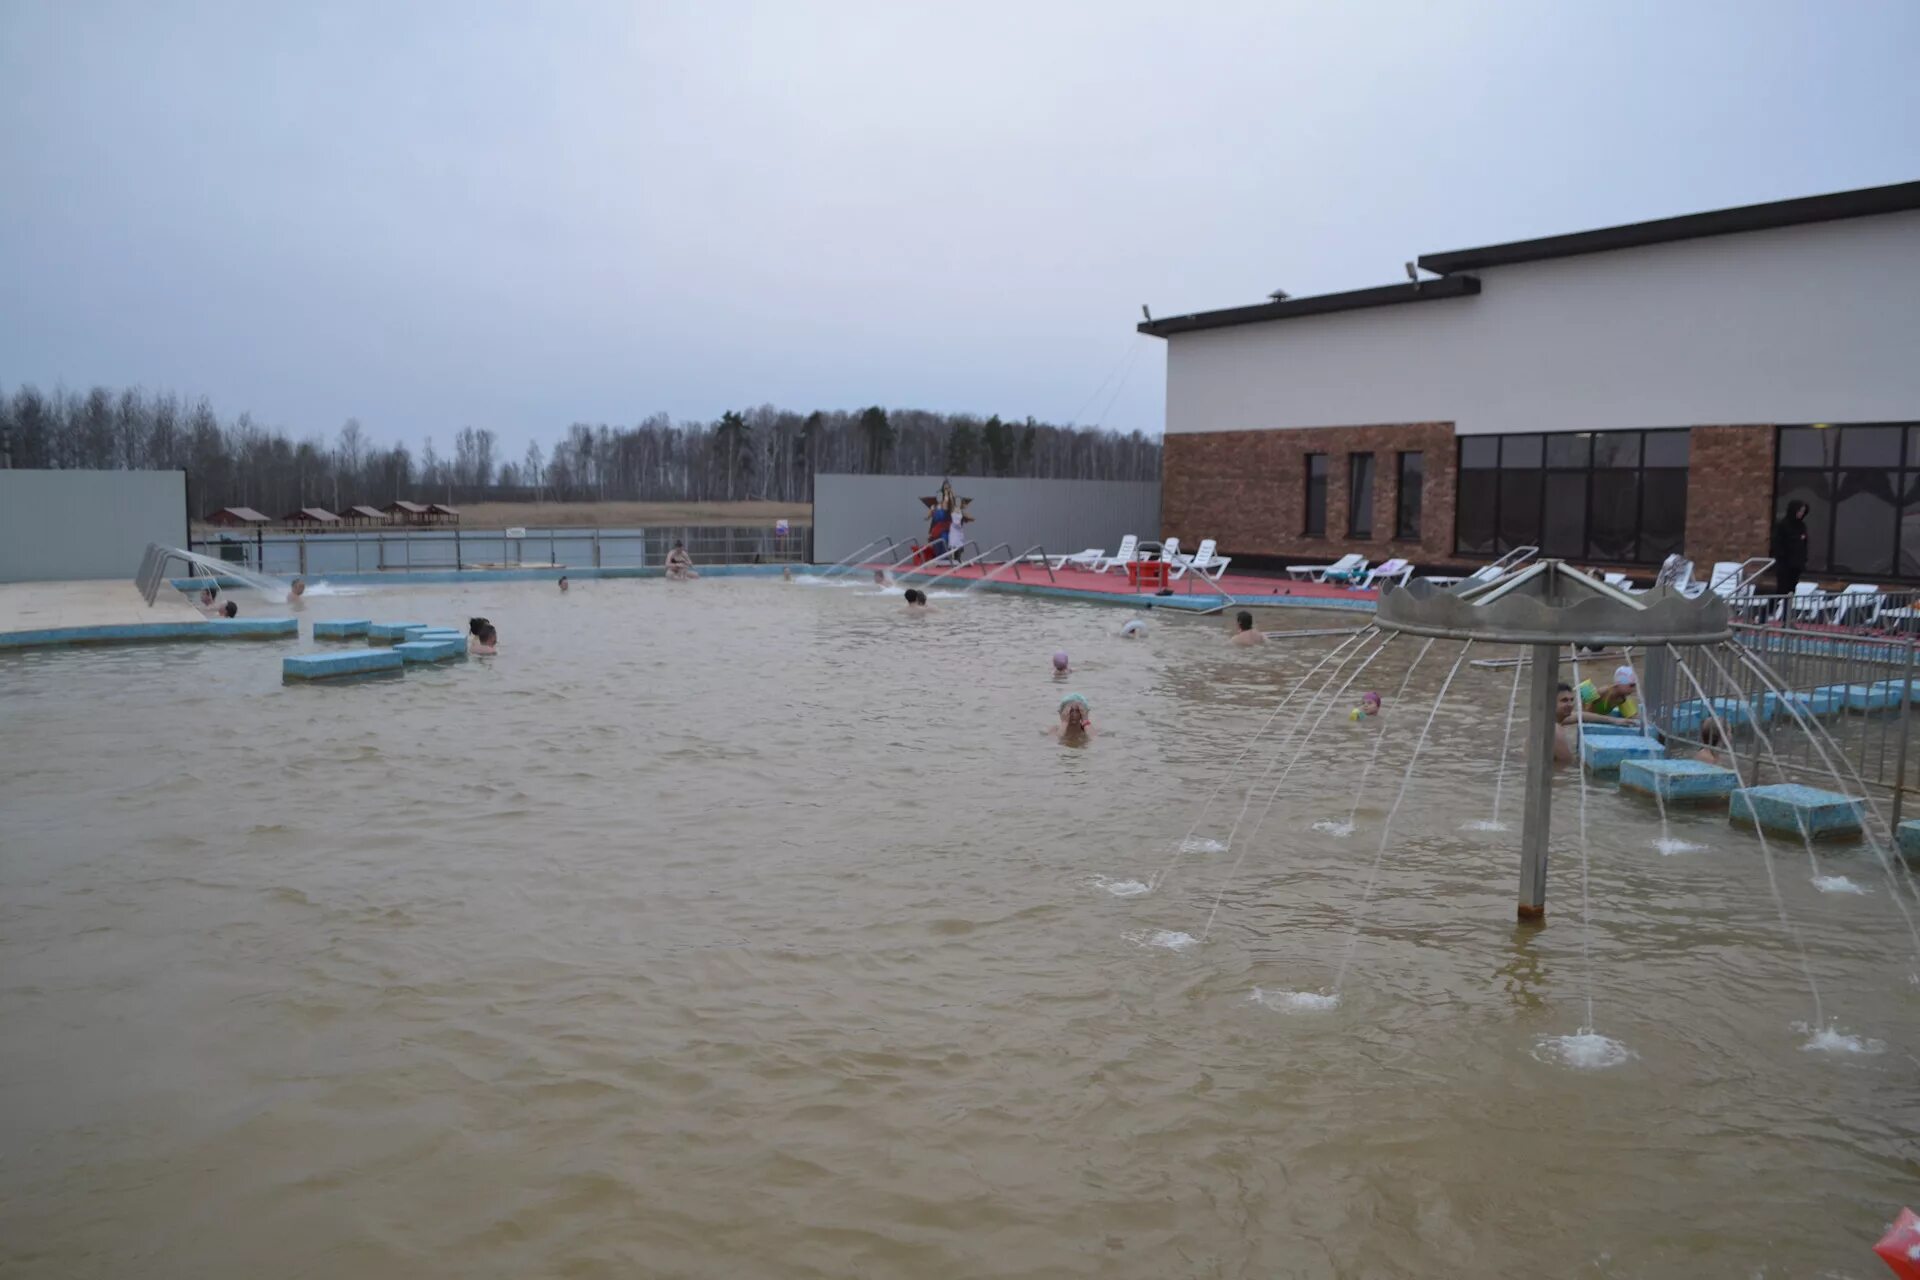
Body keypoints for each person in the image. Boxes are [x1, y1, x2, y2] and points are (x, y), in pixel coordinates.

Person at [1771, 499, 1810, 600]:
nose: (1801, 514)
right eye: (1799, 511)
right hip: (1785, 564)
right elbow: (1778, 543)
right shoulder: (1783, 525)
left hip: (1797, 564)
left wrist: (1803, 559)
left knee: (1792, 590)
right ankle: (1775, 611)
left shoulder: (1801, 525)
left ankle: (1786, 612)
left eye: (1803, 511)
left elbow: (1804, 542)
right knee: (1782, 589)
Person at [1553, 682, 1580, 764]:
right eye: (1564, 700)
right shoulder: (1555, 731)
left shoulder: (1547, 721)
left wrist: (1614, 720)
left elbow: (1579, 716)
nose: (1570, 704)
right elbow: (1567, 763)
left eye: (1572, 700)